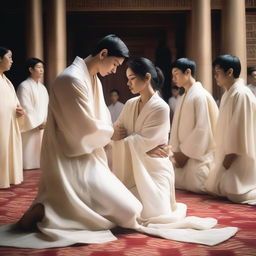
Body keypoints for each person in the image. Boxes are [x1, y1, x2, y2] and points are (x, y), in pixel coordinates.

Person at [0, 37, 236, 248]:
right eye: (114, 64)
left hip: (91, 156)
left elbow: (107, 125)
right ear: (103, 54)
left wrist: (159, 145)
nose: (115, 71)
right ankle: (50, 206)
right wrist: (113, 133)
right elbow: (84, 128)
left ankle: (49, 206)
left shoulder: (91, 79)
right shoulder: (71, 79)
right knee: (129, 210)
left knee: (131, 210)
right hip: (71, 161)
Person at [206, 55, 256, 205]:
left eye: (217, 72)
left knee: (235, 193)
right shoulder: (229, 93)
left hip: (239, 154)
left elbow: (239, 128)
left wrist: (230, 156)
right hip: (227, 153)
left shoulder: (241, 94)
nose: (215, 76)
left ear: (229, 72)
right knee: (215, 188)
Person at [170, 58, 219, 193]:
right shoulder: (184, 96)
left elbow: (202, 129)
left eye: (176, 74)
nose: (174, 79)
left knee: (198, 184)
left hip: (196, 155)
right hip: (183, 154)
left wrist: (185, 154)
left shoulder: (200, 96)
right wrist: (177, 151)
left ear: (187, 72)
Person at [17, 58, 49, 170]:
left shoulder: (43, 88)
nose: (42, 70)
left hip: (42, 125)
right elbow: (25, 107)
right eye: (39, 67)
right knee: (29, 156)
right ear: (31, 69)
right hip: (31, 126)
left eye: (42, 68)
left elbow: (46, 107)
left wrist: (45, 121)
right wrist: (38, 122)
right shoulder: (24, 86)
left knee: (40, 157)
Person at [0, 47, 24, 188]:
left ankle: (6, 177)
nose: (12, 61)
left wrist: (18, 110)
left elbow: (13, 102)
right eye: (9, 57)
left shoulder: (6, 80)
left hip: (8, 122)